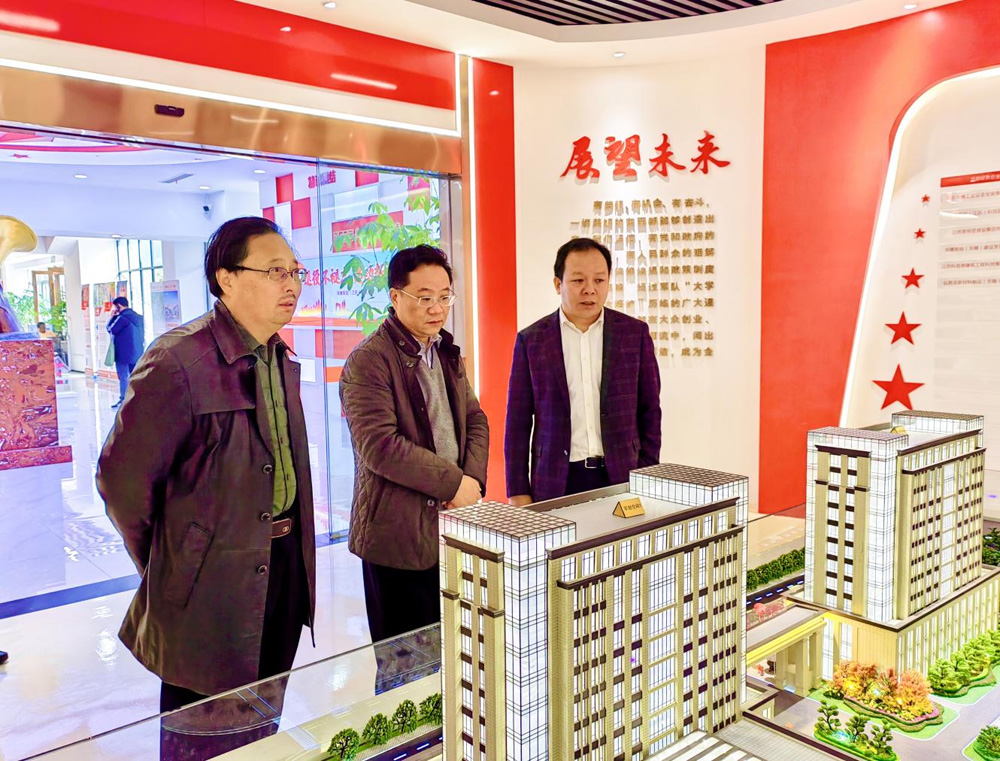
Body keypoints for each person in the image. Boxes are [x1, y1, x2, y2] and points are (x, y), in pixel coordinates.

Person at [96, 216, 316, 723]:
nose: (291, 284)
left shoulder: (278, 355)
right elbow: (121, 483)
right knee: (202, 729)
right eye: (275, 271)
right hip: (209, 581)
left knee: (263, 717)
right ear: (226, 279)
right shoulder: (178, 361)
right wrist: (175, 558)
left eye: (295, 271)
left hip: (283, 563)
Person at [341, 244, 489, 644]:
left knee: (456, 652)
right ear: (395, 296)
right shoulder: (369, 360)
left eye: (444, 297)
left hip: (452, 527)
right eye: (424, 298)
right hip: (396, 537)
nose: (437, 308)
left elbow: (475, 419)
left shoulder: (445, 351)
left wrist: (471, 482)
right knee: (403, 662)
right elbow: (381, 447)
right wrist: (453, 485)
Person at [505, 237, 661, 505]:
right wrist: (518, 491)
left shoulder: (633, 334)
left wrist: (647, 473)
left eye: (599, 280)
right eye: (578, 280)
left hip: (622, 476)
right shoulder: (532, 341)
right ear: (558, 284)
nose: (590, 289)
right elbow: (517, 422)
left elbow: (650, 411)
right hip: (556, 479)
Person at [106, 296, 144, 408]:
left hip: (123, 353)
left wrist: (112, 317)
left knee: (123, 377)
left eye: (115, 307)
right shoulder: (139, 317)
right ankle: (136, 399)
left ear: (119, 306)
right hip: (137, 352)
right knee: (135, 376)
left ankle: (123, 400)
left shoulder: (122, 318)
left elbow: (111, 329)